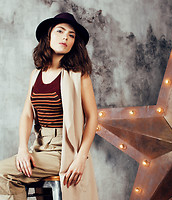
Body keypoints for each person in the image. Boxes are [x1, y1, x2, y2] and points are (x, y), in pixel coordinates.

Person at [0, 12, 99, 199]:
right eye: (60, 31)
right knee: (10, 176)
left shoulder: (79, 75)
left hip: (64, 149)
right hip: (40, 146)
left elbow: (93, 116)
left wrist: (81, 157)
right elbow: (27, 115)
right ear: (48, 36)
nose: (66, 38)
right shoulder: (35, 75)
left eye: (71, 35)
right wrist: (23, 149)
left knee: (2, 173)